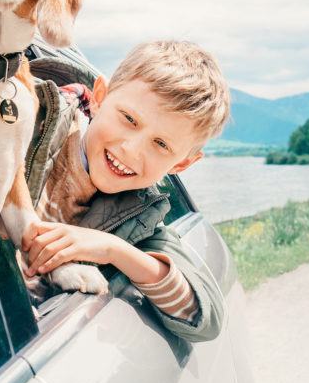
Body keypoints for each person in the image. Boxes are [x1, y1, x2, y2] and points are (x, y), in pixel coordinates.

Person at [21, 41, 231, 342]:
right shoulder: (26, 124)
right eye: (129, 119)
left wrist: (113, 249)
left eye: (161, 145)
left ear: (182, 163)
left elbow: (204, 318)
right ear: (100, 97)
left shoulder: (139, 221)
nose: (131, 149)